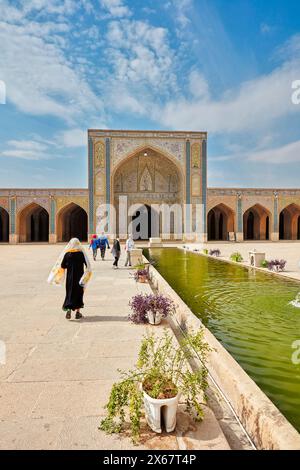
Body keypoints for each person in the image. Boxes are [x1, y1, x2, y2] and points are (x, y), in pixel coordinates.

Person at [47, 238, 92, 320]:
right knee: (79, 294)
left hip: (70, 279)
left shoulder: (67, 254)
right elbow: (87, 265)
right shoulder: (81, 254)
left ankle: (68, 310)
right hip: (79, 278)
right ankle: (78, 313)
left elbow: (63, 265)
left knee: (70, 293)